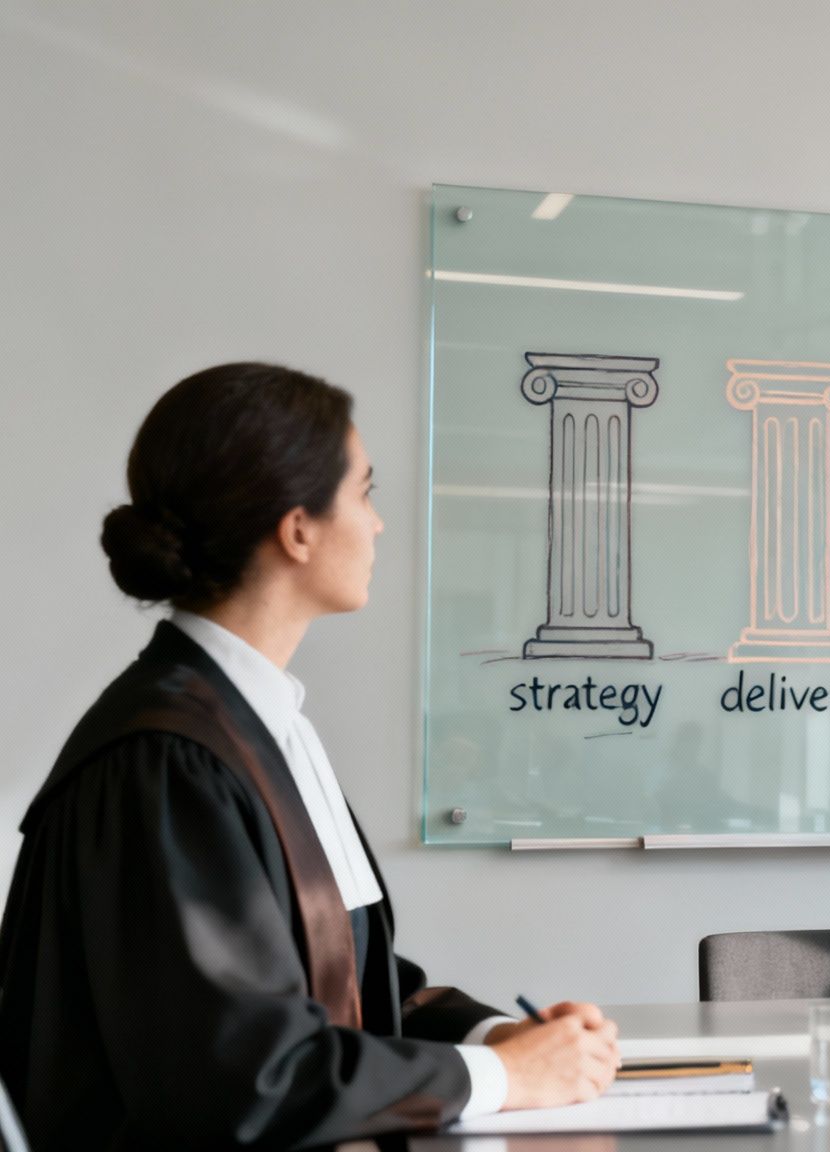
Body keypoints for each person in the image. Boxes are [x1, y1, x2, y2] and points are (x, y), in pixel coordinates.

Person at [0, 363, 622, 1150]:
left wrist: (499, 1039)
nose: (379, 524)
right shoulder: (167, 759)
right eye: (365, 493)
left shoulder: (254, 722)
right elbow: (244, 1078)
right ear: (297, 530)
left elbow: (351, 983)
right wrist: (502, 1079)